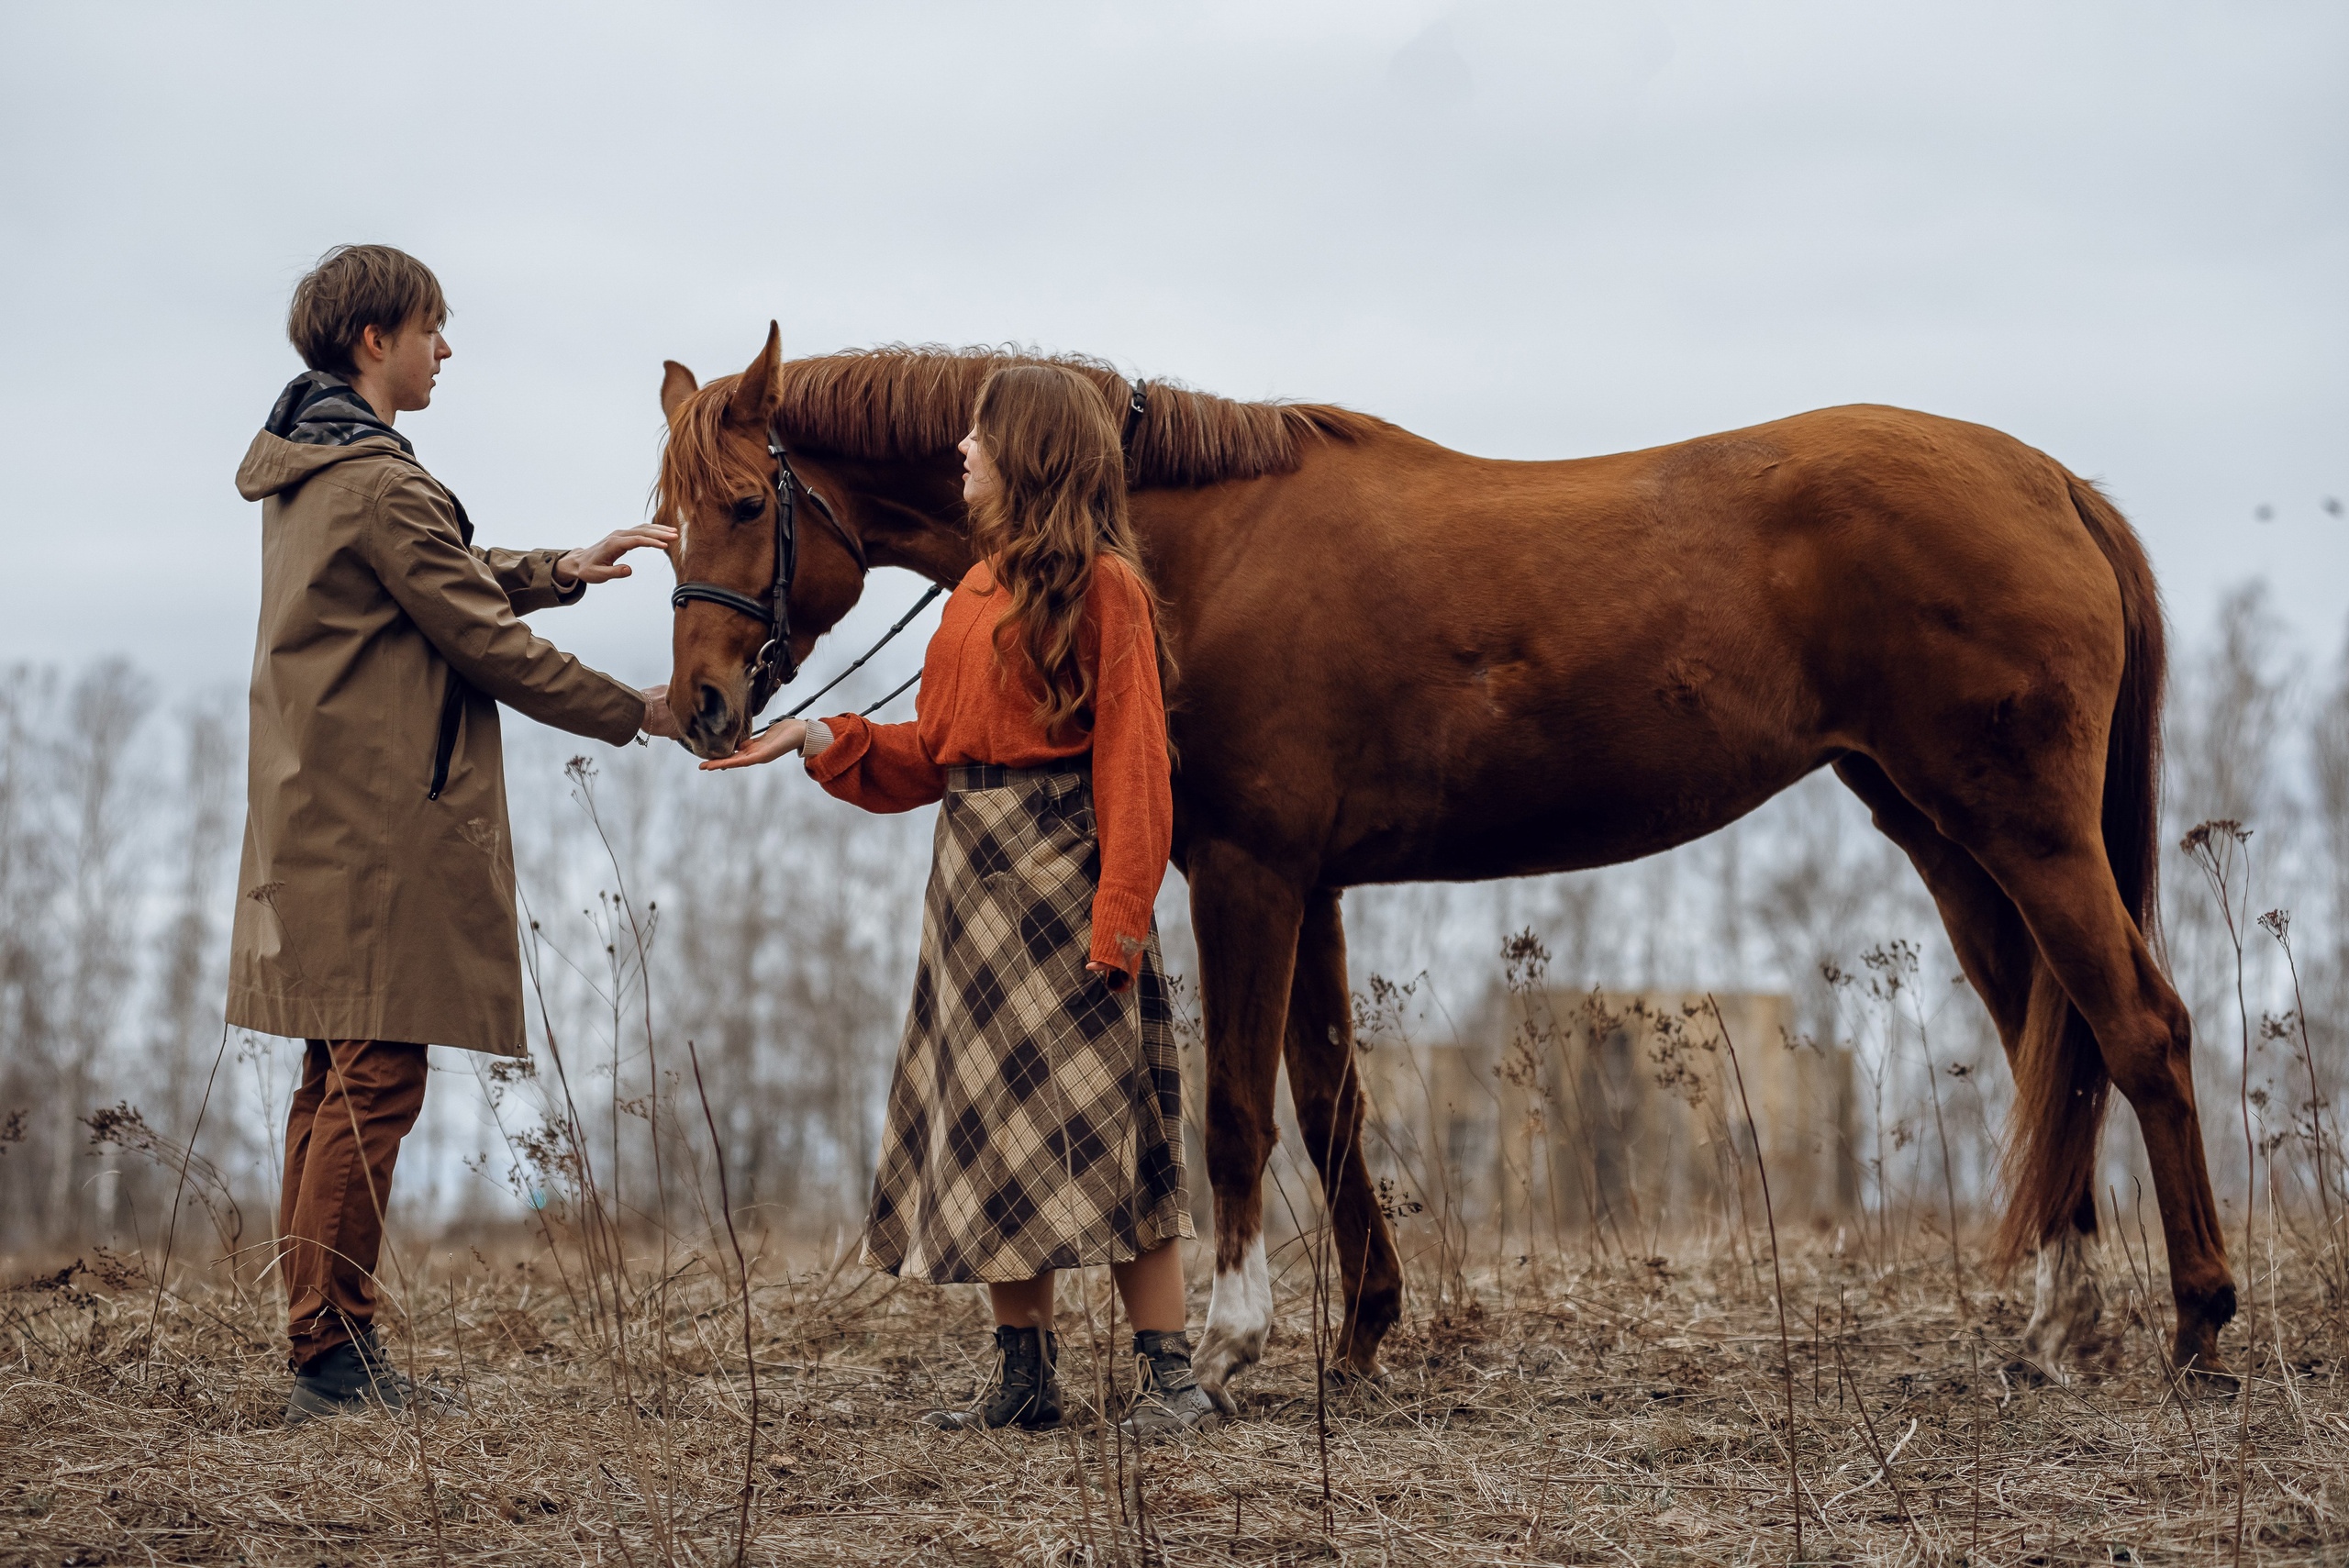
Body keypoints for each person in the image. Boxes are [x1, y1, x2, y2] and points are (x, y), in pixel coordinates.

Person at [706, 363, 1215, 1434]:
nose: (963, 451)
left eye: (981, 437)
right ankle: (1023, 1379)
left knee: (1115, 1130)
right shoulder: (975, 589)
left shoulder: (1104, 587)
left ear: (1028, 451)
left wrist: (1121, 917)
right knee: (989, 1126)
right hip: (972, 885)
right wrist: (818, 735)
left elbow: (1135, 764)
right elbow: (935, 754)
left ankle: (1169, 1378)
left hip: (1063, 879)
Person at [230, 244, 683, 1424]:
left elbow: (439, 578)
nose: (447, 350)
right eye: (435, 329)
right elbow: (479, 637)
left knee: (333, 1072)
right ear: (374, 339)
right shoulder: (376, 477)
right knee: (374, 1074)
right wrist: (633, 710)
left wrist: (560, 568)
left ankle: (324, 1337)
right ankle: (332, 1354)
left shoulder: (319, 465)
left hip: (323, 811)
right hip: (379, 821)